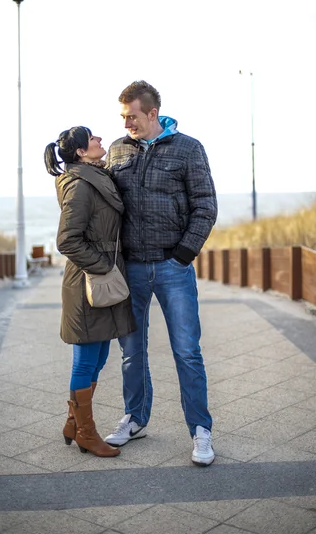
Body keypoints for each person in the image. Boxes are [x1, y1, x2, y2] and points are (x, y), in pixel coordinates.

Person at [104, 81, 218, 466]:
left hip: (173, 267)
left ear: (152, 113)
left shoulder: (189, 148)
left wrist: (183, 255)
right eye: (123, 117)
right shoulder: (118, 150)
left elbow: (205, 205)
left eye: (132, 116)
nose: (126, 123)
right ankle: (135, 419)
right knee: (131, 353)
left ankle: (201, 431)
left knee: (187, 351)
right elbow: (105, 203)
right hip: (132, 268)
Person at [44, 126, 135, 458]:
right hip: (88, 281)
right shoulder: (80, 186)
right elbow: (67, 240)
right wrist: (103, 266)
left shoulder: (96, 176)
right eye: (93, 138)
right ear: (82, 152)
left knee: (99, 355)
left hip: (100, 277)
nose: (100, 140)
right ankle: (86, 432)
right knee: (85, 358)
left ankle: (73, 422)